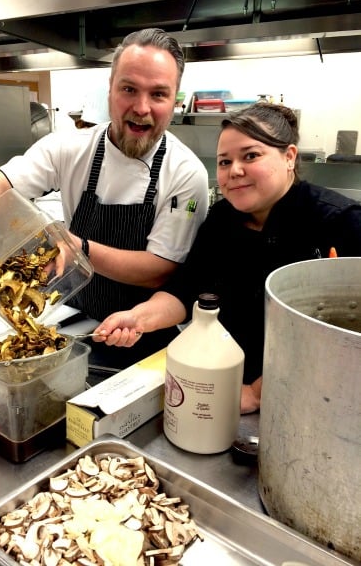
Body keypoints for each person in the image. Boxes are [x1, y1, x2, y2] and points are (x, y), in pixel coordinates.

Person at [0, 27, 209, 368]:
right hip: (79, 323)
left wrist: (79, 247)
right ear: (110, 90)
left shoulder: (186, 174)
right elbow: (2, 181)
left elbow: (160, 270)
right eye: (129, 89)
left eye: (158, 94)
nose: (141, 107)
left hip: (145, 335)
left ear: (176, 99)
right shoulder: (69, 148)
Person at [93, 103, 361, 413]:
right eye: (224, 161)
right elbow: (186, 288)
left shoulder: (341, 223)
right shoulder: (223, 218)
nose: (234, 171)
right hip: (231, 383)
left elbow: (341, 341)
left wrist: (259, 393)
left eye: (250, 156)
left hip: (316, 397)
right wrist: (139, 318)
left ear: (289, 157)